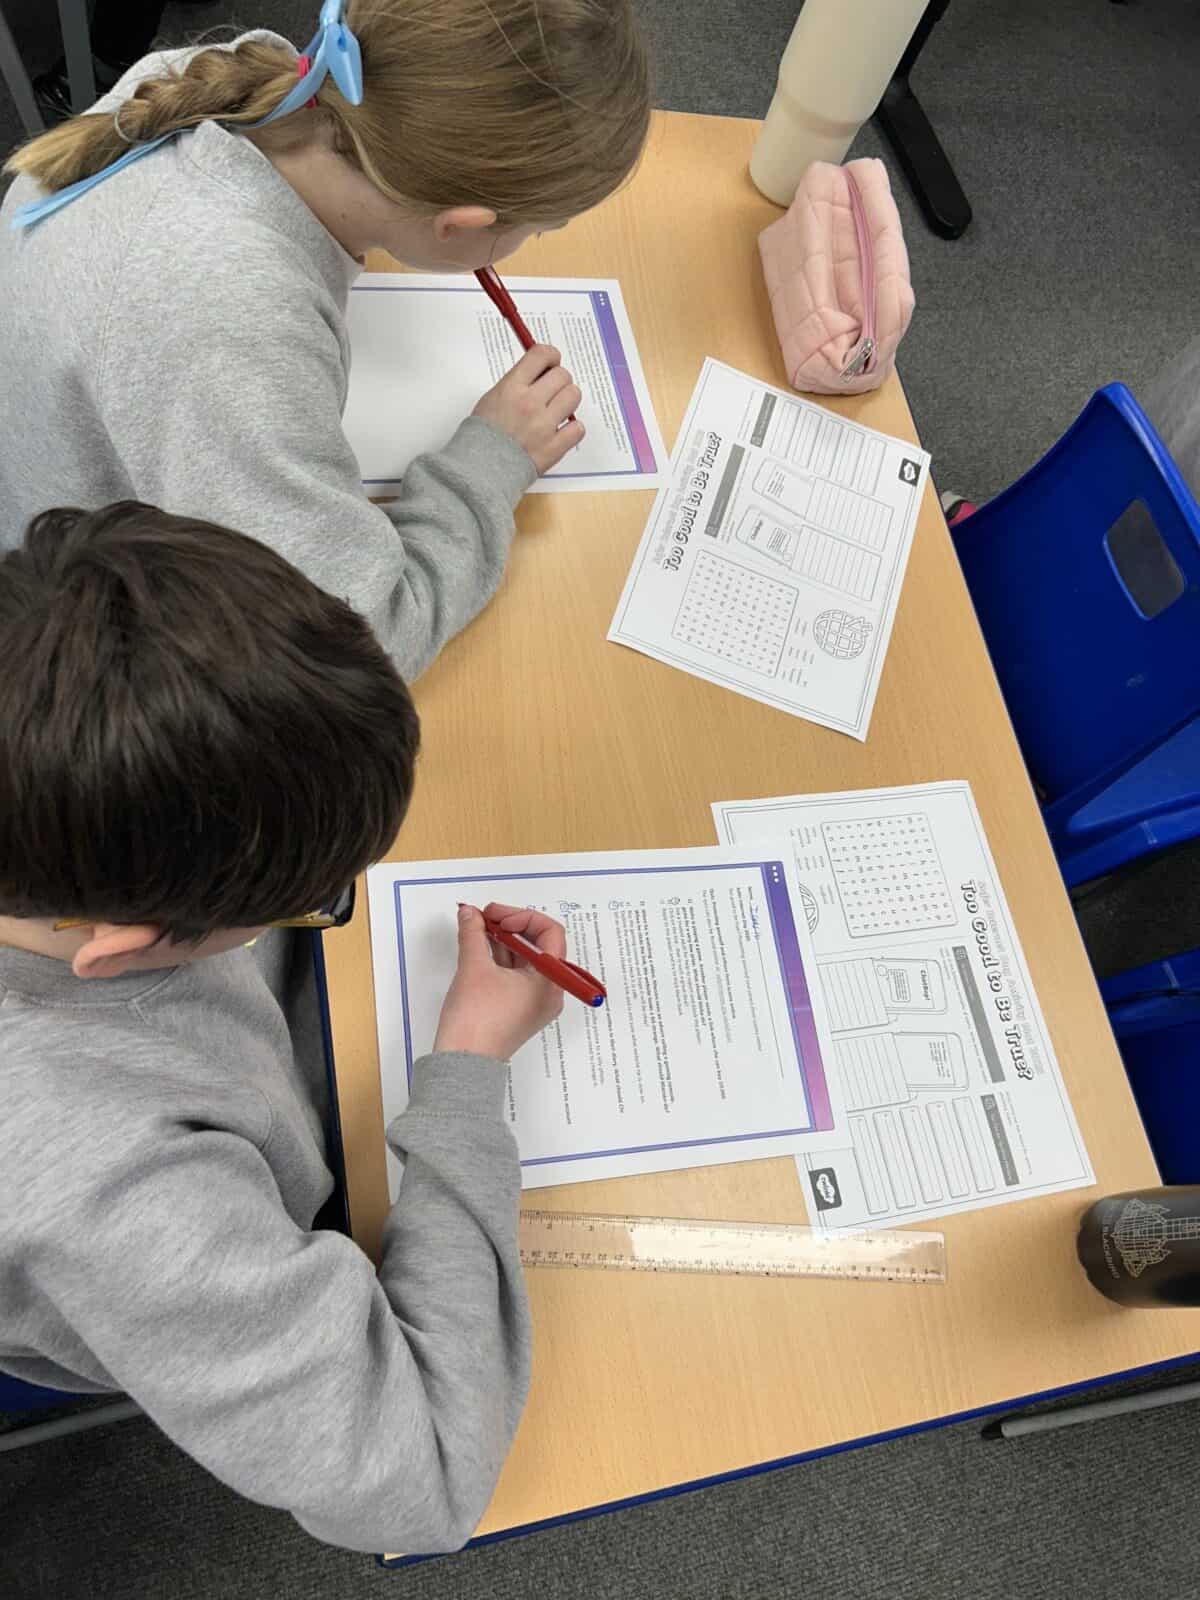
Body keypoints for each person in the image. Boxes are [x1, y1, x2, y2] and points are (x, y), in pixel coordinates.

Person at [0, 500, 568, 1553]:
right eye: (308, 901)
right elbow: (425, 1481)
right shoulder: (119, 1192)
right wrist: (468, 1067)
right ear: (122, 947)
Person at [0, 1, 650, 683]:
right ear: (459, 224)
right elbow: (358, 642)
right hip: (68, 649)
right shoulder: (233, 314)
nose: (530, 244)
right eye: (536, 231)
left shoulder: (229, 75)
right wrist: (489, 461)